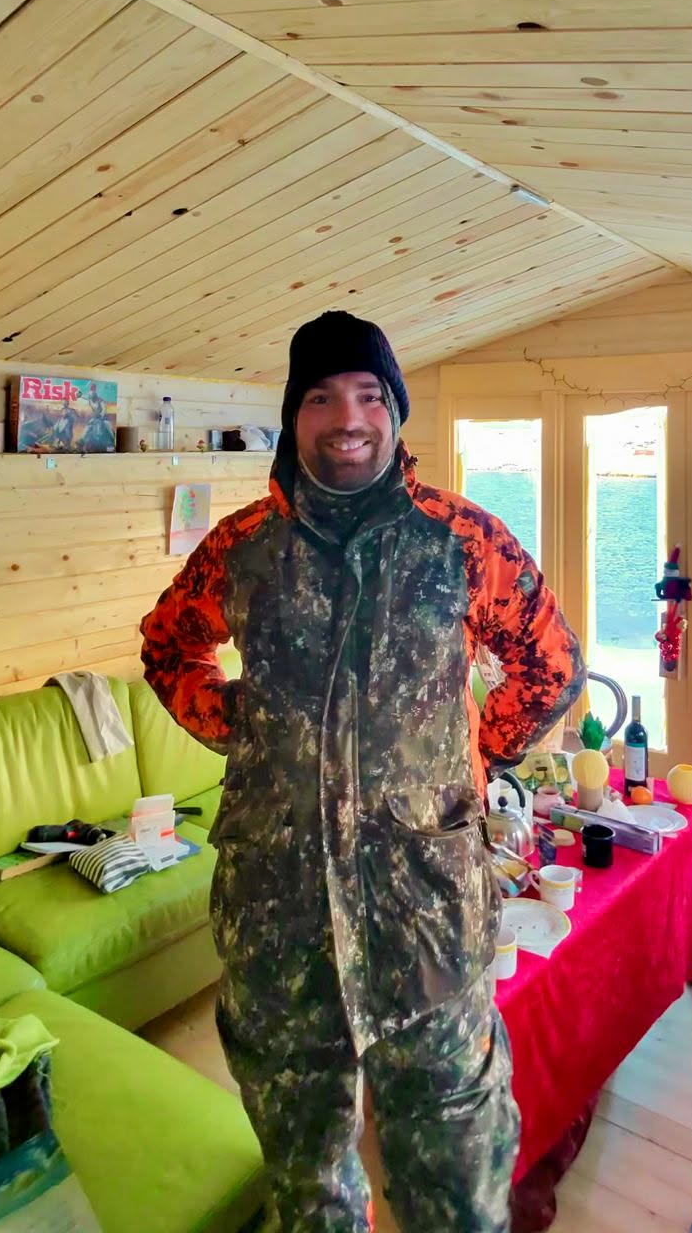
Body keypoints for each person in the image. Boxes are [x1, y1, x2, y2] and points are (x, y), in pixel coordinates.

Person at [140, 311, 585, 1233]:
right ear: (293, 416)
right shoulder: (242, 547)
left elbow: (550, 663)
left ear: (395, 411)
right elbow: (169, 646)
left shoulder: (462, 539)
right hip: (280, 919)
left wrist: (475, 754)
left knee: (457, 1184)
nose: (347, 418)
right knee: (308, 1186)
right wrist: (239, 726)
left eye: (369, 396)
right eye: (321, 397)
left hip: (426, 915)